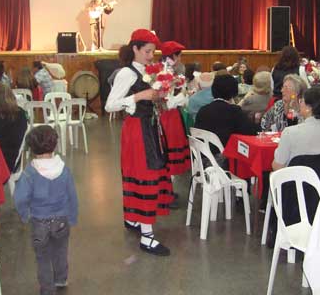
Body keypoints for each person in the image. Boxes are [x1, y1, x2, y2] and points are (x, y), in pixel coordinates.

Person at [105, 28, 172, 256]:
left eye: (153, 52)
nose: (151, 56)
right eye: (147, 51)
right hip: (136, 131)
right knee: (145, 174)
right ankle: (147, 236)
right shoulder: (127, 73)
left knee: (148, 171)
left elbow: (152, 101)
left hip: (149, 127)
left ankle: (134, 218)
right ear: (135, 48)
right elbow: (110, 105)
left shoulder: (147, 71)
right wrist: (138, 96)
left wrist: (160, 95)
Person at [14, 125, 78, 295]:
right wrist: (72, 217)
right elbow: (72, 195)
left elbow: (20, 198)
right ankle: (61, 278)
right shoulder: (64, 170)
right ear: (54, 145)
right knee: (61, 251)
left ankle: (47, 289)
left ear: (31, 148)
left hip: (39, 221)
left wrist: (25, 214)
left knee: (42, 257)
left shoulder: (29, 173)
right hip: (62, 220)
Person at [272, 86, 320, 170]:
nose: (300, 104)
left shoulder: (290, 133)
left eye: (301, 101)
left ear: (308, 108)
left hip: (297, 181)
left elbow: (278, 166)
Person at [194, 74, 258, 155]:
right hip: (224, 160)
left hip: (202, 157)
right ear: (234, 91)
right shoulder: (234, 111)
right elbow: (251, 133)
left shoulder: (203, 110)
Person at [159, 41, 190, 179]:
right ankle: (167, 181)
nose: (180, 59)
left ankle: (168, 182)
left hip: (170, 114)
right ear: (174, 56)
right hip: (167, 116)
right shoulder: (165, 74)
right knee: (168, 147)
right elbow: (167, 103)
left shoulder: (166, 70)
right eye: (179, 56)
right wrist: (183, 96)